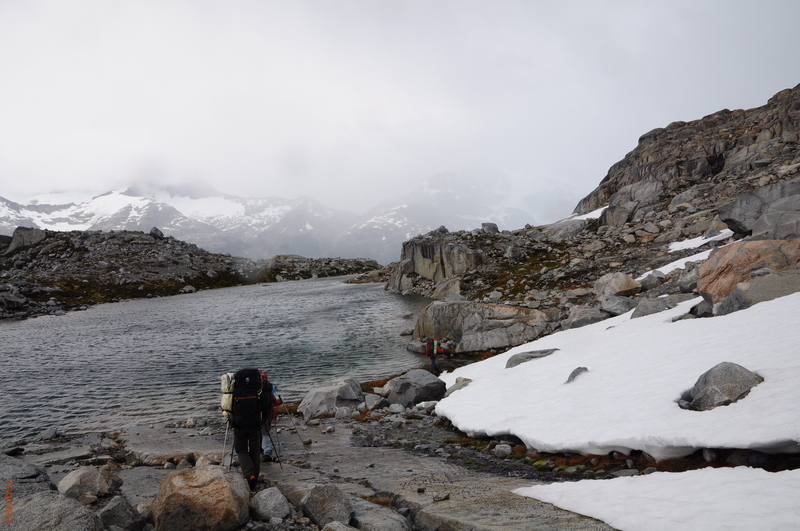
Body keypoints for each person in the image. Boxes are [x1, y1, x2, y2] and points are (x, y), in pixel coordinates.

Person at [229, 368, 275, 489]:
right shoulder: (259, 389)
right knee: (255, 450)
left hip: (239, 424)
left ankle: (250, 475)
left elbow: (228, 407)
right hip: (255, 423)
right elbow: (266, 405)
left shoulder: (235, 389)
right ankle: (255, 475)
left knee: (241, 450)